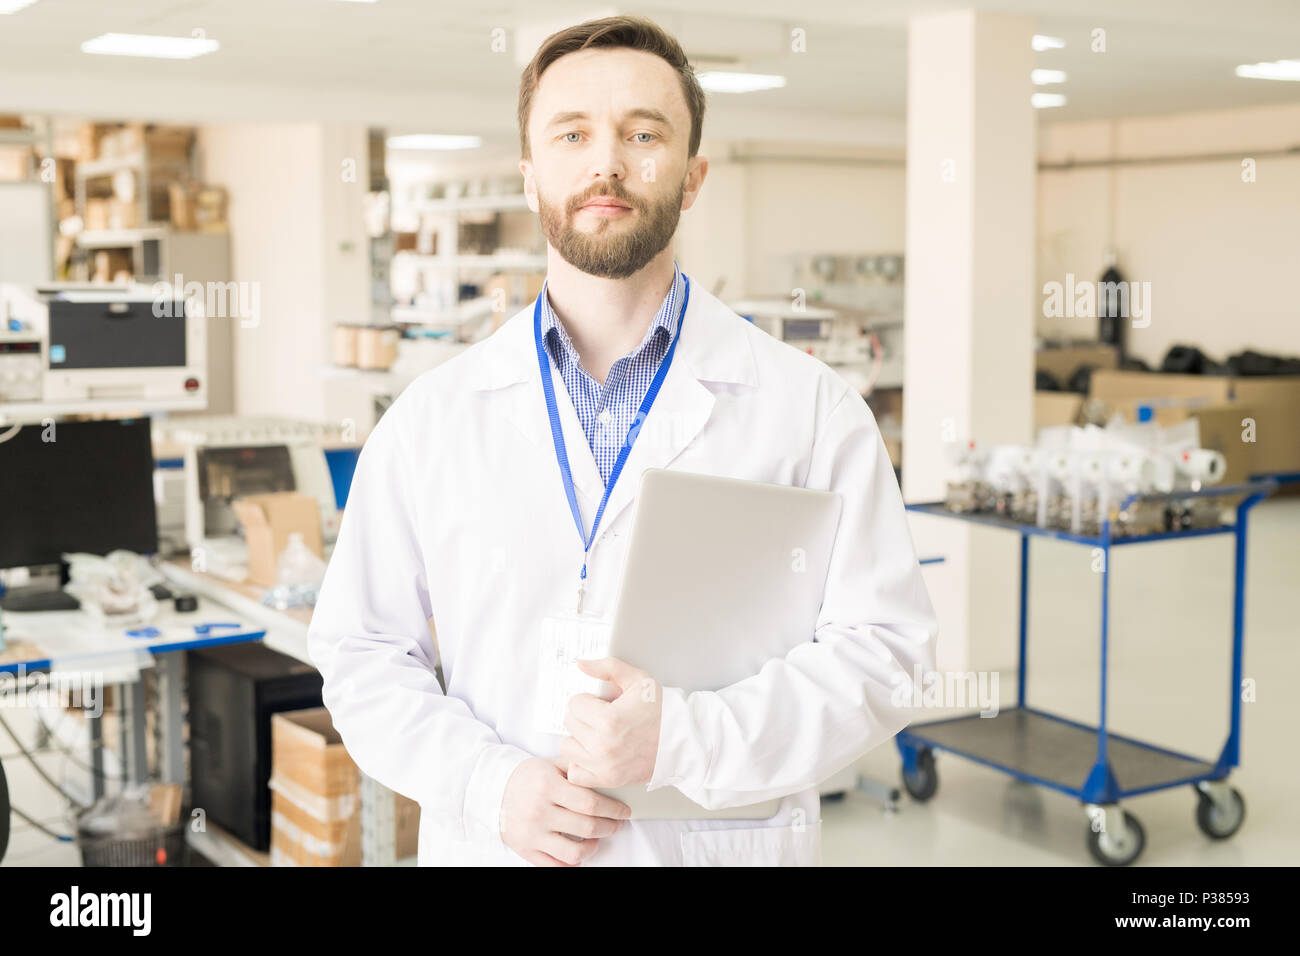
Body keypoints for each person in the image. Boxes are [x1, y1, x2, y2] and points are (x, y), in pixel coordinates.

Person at [308, 14, 938, 867]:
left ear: (692, 176)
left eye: (644, 134)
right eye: (573, 134)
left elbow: (886, 653)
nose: (606, 162)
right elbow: (361, 652)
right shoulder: (432, 419)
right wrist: (487, 786)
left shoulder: (812, 411)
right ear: (531, 177)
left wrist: (687, 739)